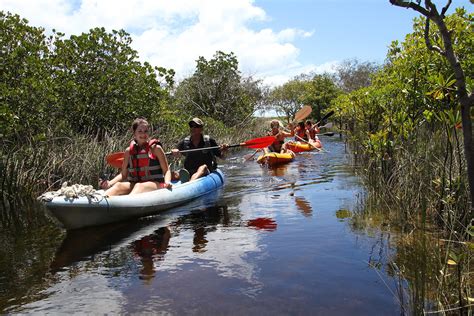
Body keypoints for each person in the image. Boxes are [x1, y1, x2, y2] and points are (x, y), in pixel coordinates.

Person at [102, 118, 172, 196]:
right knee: (119, 185)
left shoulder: (156, 149)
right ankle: (101, 201)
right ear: (134, 134)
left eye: (146, 131)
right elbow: (123, 175)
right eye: (140, 131)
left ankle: (127, 203)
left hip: (156, 184)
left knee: (139, 186)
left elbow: (166, 171)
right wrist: (110, 183)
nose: (143, 134)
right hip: (135, 184)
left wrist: (167, 182)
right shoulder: (128, 151)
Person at [172, 117, 228, 181]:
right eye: (191, 126)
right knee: (173, 174)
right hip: (189, 171)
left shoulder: (209, 141)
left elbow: (222, 157)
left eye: (196, 126)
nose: (193, 128)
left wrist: (224, 150)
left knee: (202, 167)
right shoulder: (185, 142)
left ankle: (191, 182)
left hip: (206, 170)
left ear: (201, 129)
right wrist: (174, 151)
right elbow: (176, 151)